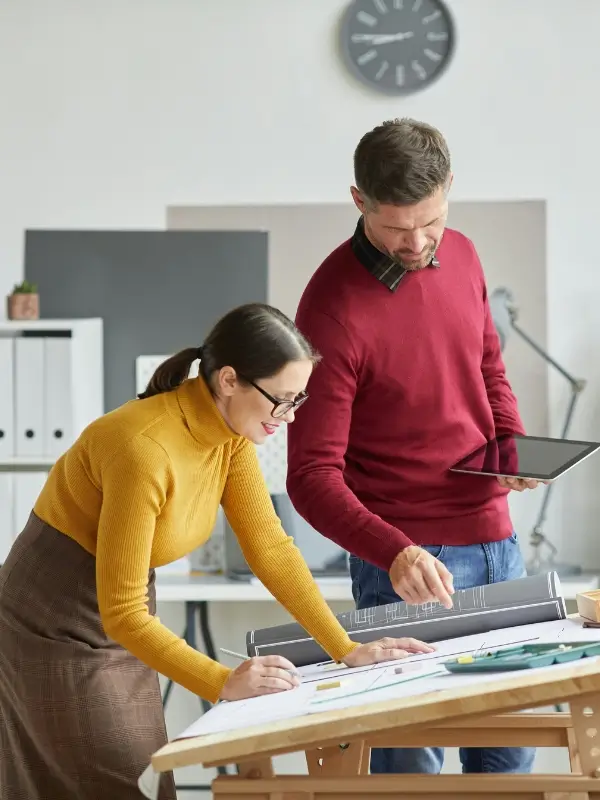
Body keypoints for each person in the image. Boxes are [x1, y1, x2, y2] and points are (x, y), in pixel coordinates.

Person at [0, 302, 434, 800]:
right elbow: (121, 612)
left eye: (299, 400)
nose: (290, 418)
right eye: (282, 400)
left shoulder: (231, 438)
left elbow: (270, 548)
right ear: (229, 380)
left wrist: (346, 649)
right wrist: (222, 680)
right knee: (109, 778)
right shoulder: (142, 447)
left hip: (122, 605)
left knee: (148, 775)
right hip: (49, 615)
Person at [287, 119, 539, 776]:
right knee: (410, 778)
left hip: (498, 543)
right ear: (358, 200)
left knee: (507, 761)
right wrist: (393, 553)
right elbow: (311, 476)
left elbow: (487, 362)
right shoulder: (329, 310)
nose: (420, 242)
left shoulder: (464, 252)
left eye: (431, 221)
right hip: (406, 566)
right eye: (399, 228)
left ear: (449, 188)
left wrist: (509, 442)